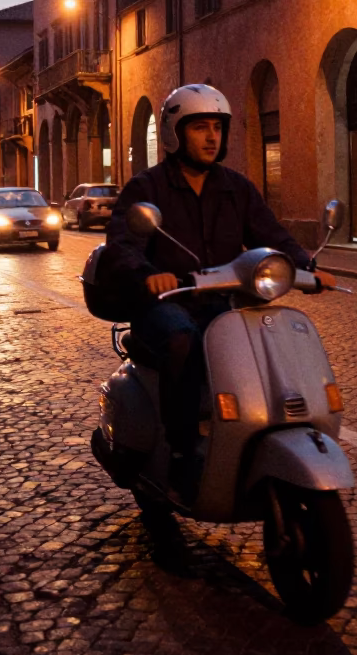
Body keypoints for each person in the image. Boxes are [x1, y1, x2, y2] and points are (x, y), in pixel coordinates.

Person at [103, 83, 327, 502]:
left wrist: (305, 267)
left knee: (269, 334)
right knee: (182, 339)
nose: (211, 137)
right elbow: (122, 245)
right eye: (200, 127)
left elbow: (270, 233)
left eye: (217, 128)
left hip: (223, 300)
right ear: (175, 133)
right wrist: (149, 274)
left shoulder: (236, 188)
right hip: (164, 305)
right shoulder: (147, 188)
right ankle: (183, 452)